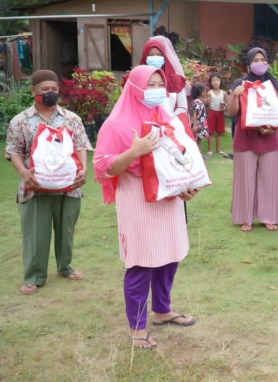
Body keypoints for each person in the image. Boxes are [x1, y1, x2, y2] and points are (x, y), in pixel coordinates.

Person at [94, 65, 199, 349]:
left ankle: (162, 310)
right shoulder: (116, 124)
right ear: (134, 88)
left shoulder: (164, 117)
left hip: (168, 199)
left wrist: (185, 188)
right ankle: (137, 327)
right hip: (137, 200)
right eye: (149, 84)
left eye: (158, 84)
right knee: (142, 261)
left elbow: (178, 159)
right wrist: (134, 151)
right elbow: (103, 168)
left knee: (170, 255)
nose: (155, 90)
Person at [5, 70, 91, 295]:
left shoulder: (71, 119)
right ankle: (34, 276)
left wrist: (83, 169)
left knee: (67, 230)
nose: (51, 93)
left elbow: (81, 145)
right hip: (35, 186)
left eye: (54, 89)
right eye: (45, 90)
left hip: (69, 185)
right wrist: (24, 172)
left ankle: (65, 267)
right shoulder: (21, 121)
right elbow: (14, 150)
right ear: (33, 91)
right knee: (35, 233)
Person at [227, 47, 278, 232]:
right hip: (245, 139)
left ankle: (268, 217)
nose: (260, 63)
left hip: (269, 139)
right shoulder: (240, 84)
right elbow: (232, 112)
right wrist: (236, 95)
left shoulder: (275, 86)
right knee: (245, 180)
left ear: (268, 62)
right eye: (256, 60)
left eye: (263, 59)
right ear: (249, 63)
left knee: (269, 180)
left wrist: (272, 128)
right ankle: (246, 218)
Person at [139, 35, 192, 137]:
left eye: (159, 55)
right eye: (151, 55)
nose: (156, 58)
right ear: (145, 57)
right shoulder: (138, 79)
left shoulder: (176, 79)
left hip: (171, 127)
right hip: (144, 127)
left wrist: (169, 122)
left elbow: (182, 106)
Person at [207, 73, 232, 158]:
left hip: (220, 114)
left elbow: (226, 103)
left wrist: (225, 107)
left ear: (221, 81)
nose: (215, 82)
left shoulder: (224, 93)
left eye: (217, 80)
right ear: (210, 82)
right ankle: (210, 150)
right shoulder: (209, 93)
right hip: (212, 113)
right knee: (210, 132)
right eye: (213, 80)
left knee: (218, 132)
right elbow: (208, 104)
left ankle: (218, 149)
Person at [191, 82, 210, 158]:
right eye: (205, 91)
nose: (206, 93)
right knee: (196, 140)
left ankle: (199, 154)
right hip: (198, 124)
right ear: (201, 92)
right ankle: (195, 154)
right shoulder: (196, 102)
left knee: (199, 139)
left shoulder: (200, 101)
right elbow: (194, 113)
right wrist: (195, 125)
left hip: (202, 123)